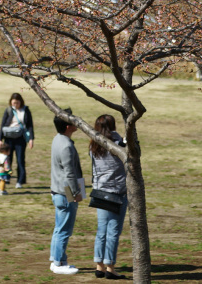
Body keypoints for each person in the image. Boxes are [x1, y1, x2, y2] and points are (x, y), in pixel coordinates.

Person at [89, 114, 128, 280]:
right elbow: (126, 147)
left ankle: (99, 265)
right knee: (113, 231)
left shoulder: (93, 144)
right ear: (112, 126)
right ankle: (110, 267)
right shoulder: (116, 141)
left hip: (100, 192)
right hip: (117, 193)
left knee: (101, 230)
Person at [49, 107, 84, 275]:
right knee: (64, 229)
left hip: (58, 190)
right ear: (67, 126)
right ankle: (58, 263)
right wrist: (77, 192)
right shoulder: (66, 146)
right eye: (72, 120)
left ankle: (57, 258)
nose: (75, 121)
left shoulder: (58, 139)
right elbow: (70, 173)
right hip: (65, 192)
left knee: (59, 227)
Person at [0, 92, 34, 189]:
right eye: (13, 103)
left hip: (20, 139)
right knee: (6, 160)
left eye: (17, 103)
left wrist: (31, 139)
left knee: (20, 160)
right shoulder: (9, 110)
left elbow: (30, 126)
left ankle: (20, 181)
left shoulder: (25, 110)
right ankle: (4, 179)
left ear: (21, 102)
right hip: (8, 138)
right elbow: (2, 125)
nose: (15, 105)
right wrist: (0, 139)